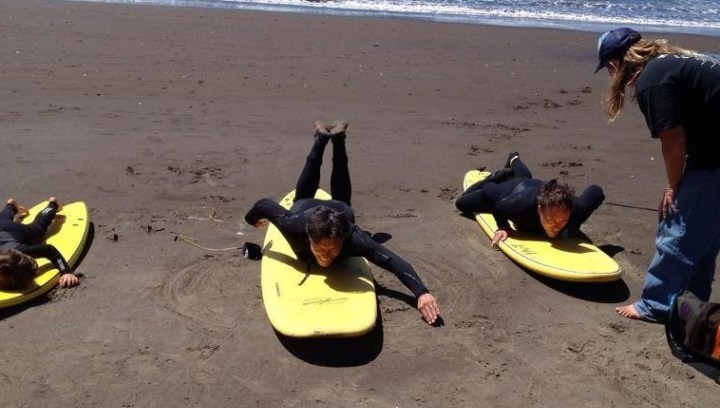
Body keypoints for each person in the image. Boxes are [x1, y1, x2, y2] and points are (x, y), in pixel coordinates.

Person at [245, 120, 441, 325]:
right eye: (320, 249)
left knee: (342, 203)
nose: (325, 256)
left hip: (340, 212)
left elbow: (393, 262)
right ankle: (321, 140)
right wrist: (252, 220)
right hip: (305, 208)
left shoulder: (354, 238)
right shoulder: (295, 227)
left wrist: (421, 293)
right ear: (310, 238)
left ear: (342, 241)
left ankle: (337, 141)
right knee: (301, 198)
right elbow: (263, 205)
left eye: (332, 249)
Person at [596, 27, 720, 322]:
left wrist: (672, 186)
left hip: (715, 156)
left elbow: (673, 140)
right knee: (706, 227)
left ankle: (657, 304)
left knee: (677, 224)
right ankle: (692, 297)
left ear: (615, 65)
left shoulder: (652, 80)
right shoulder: (679, 61)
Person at [455, 152, 605, 246]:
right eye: (551, 220)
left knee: (525, 177)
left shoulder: (577, 211)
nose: (556, 226)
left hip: (547, 190)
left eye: (562, 221)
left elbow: (596, 191)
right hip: (515, 189)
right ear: (539, 210)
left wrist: (573, 227)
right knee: (462, 203)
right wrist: (503, 226)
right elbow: (489, 191)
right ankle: (502, 174)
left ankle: (514, 160)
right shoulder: (515, 205)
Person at [0, 197, 80, 290]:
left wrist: (66, 271)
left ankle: (53, 204)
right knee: (3, 218)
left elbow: (49, 249)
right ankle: (11, 206)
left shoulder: (23, 250)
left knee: (39, 227)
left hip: (16, 231)